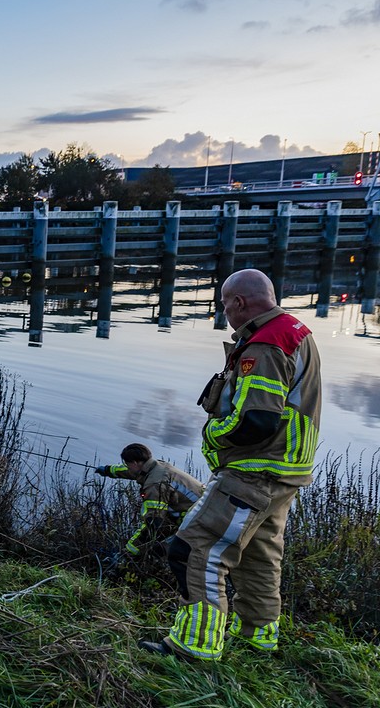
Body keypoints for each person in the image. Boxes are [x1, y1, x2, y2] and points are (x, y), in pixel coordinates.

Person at [139, 269, 321, 661]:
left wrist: (212, 436)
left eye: (224, 304)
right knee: (259, 555)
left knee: (194, 547)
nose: (223, 312)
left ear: (239, 302)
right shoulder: (294, 331)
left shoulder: (266, 345)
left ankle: (195, 644)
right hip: (285, 471)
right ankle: (258, 636)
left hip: (253, 470)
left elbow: (257, 419)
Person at [95, 443, 203, 561]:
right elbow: (130, 471)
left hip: (199, 523)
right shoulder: (156, 466)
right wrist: (108, 470)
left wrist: (127, 554)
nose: (127, 466)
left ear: (135, 463)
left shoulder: (154, 484)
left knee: (162, 552)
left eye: (127, 464)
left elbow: (153, 522)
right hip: (198, 512)